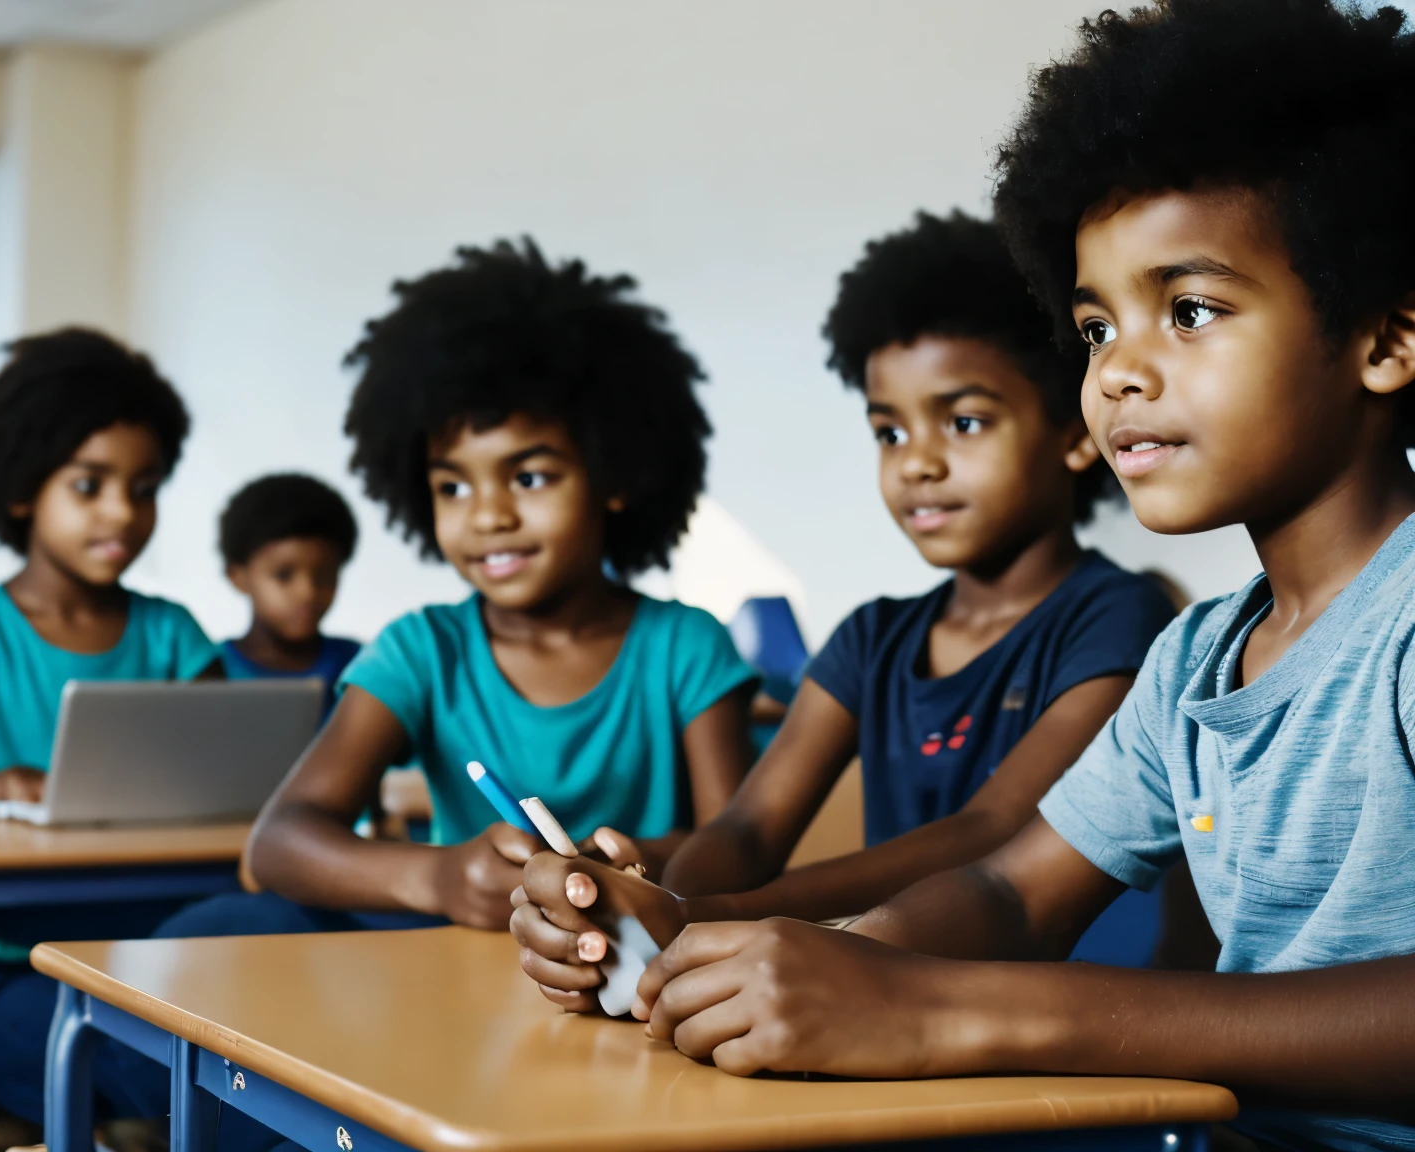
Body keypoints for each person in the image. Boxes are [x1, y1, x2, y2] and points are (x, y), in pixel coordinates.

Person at [515, 3, 1415, 1147]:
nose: (1120, 372)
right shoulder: (1196, 661)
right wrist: (732, 954)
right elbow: (1010, 890)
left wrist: (952, 1008)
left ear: (1384, 340)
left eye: (1185, 311)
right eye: (1094, 328)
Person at [528, 211, 1178, 950]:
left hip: (1061, 1031)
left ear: (1073, 432)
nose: (917, 463)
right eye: (889, 432)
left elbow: (993, 832)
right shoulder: (873, 638)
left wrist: (715, 916)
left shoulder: (1120, 618)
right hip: (885, 1013)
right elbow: (748, 827)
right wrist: (650, 896)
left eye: (963, 423)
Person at [169, 238, 759, 942]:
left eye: (529, 477)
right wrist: (442, 878)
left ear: (618, 475)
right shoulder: (423, 651)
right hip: (455, 979)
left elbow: (743, 851)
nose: (487, 516)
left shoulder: (684, 648)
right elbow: (277, 844)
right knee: (216, 928)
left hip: (633, 980)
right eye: (452, 485)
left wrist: (631, 867)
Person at [0, 327, 219, 1126]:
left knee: (195, 1042)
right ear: (24, 488)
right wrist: (2, 788)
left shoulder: (173, 633)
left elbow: (240, 773)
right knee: (153, 1062)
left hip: (151, 961)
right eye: (90, 484)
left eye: (145, 486)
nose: (123, 512)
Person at [215, 473, 363, 718]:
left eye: (324, 575)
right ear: (237, 576)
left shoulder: (362, 667)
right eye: (284, 575)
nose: (308, 592)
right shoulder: (205, 670)